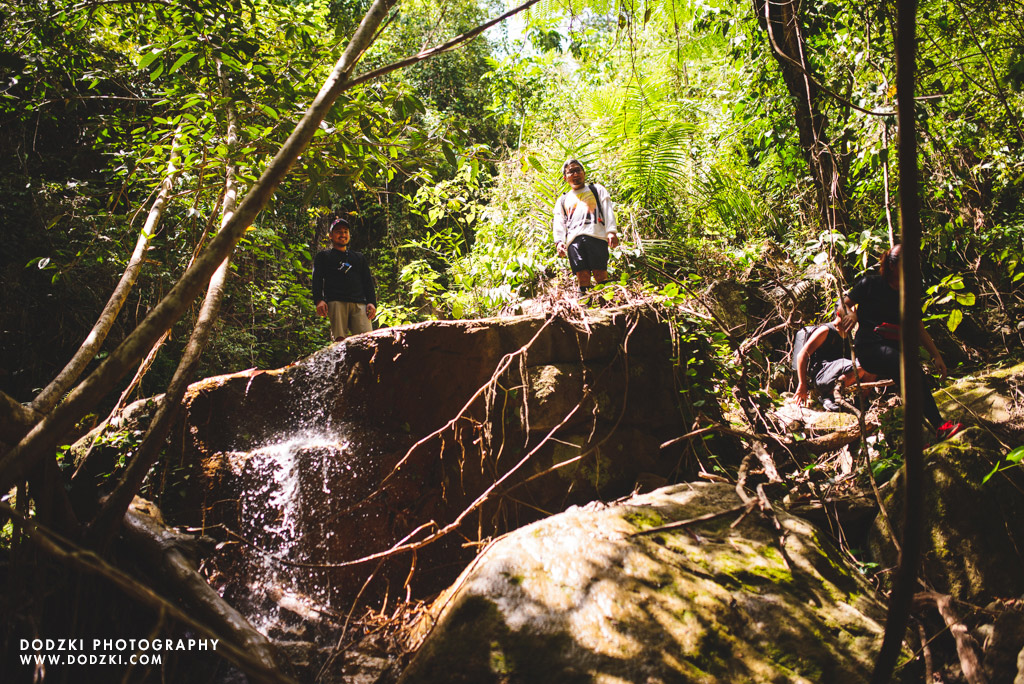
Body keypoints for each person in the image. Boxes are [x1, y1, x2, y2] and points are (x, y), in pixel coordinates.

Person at [841, 244, 963, 439]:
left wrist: (936, 356)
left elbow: (918, 327)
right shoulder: (870, 283)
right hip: (869, 348)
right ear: (892, 265)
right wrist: (852, 315)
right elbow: (843, 303)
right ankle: (937, 427)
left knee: (915, 382)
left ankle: (930, 432)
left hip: (894, 349)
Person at [552, 159, 619, 296]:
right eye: (571, 172)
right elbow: (559, 221)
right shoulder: (563, 199)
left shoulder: (597, 190)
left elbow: (607, 209)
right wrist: (559, 242)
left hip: (596, 236)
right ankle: (585, 309)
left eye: (578, 170)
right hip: (574, 240)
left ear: (584, 173)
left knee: (600, 273)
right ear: (565, 177)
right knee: (582, 276)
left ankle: (608, 305)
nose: (575, 174)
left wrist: (611, 232)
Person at [794, 311, 876, 411]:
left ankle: (861, 402)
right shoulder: (826, 330)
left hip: (838, 374)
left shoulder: (847, 334)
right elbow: (802, 355)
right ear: (838, 313)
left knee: (870, 366)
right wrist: (802, 384)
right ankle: (828, 397)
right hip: (822, 376)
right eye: (848, 314)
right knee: (862, 365)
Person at [312, 217, 377, 342]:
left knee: (367, 339)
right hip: (336, 302)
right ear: (331, 236)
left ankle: (363, 362)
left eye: (345, 231)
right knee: (339, 340)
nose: (343, 234)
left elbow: (368, 282)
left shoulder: (358, 257)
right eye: (338, 231)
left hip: (359, 303)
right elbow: (317, 279)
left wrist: (372, 302)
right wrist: (319, 300)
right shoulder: (324, 256)